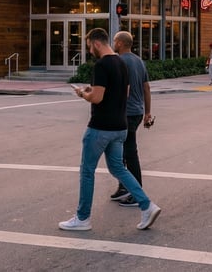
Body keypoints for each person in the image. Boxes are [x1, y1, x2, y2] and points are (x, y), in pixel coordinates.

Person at [59, 28, 161, 232]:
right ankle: (147, 205)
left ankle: (82, 218)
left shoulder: (102, 64)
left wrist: (83, 94)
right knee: (118, 168)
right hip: (120, 127)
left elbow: (97, 98)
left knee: (87, 171)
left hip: (100, 127)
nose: (89, 50)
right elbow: (127, 90)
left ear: (97, 43)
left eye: (89, 46)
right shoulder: (121, 62)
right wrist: (94, 90)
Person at [109, 30, 154, 207]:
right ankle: (124, 187)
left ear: (120, 43)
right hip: (136, 112)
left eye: (114, 40)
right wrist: (148, 112)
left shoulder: (119, 61)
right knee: (120, 151)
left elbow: (119, 89)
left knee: (128, 152)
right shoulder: (138, 61)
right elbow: (147, 87)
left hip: (125, 112)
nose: (113, 43)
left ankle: (136, 192)